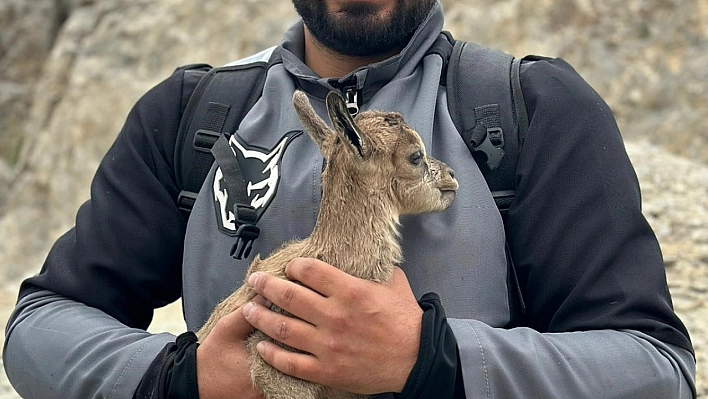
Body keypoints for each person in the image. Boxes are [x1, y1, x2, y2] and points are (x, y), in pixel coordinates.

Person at [3, 0, 697, 398]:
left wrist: (434, 359)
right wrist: (182, 379)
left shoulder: (533, 111)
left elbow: (656, 370)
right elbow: (37, 327)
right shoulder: (191, 116)